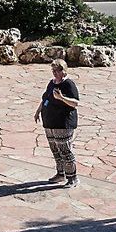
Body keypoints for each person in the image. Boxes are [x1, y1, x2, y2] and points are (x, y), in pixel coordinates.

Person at [34, 60, 80, 188]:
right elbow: (45, 99)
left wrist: (62, 98)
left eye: (56, 71)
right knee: (55, 149)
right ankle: (60, 174)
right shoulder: (51, 83)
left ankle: (72, 177)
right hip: (49, 121)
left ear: (63, 71)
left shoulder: (69, 84)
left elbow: (75, 103)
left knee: (65, 150)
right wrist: (38, 111)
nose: (54, 73)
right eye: (53, 70)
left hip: (63, 123)